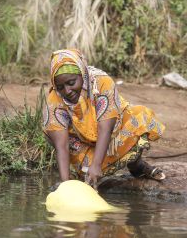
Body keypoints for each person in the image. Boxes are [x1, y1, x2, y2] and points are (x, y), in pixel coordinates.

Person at [43, 49, 165, 189]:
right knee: (50, 131)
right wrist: (65, 185)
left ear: (82, 74)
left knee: (139, 117)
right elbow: (62, 146)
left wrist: (96, 166)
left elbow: (105, 129)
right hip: (83, 141)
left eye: (71, 82)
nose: (67, 91)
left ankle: (136, 165)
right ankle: (81, 175)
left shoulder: (101, 83)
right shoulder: (55, 100)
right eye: (60, 87)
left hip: (113, 133)